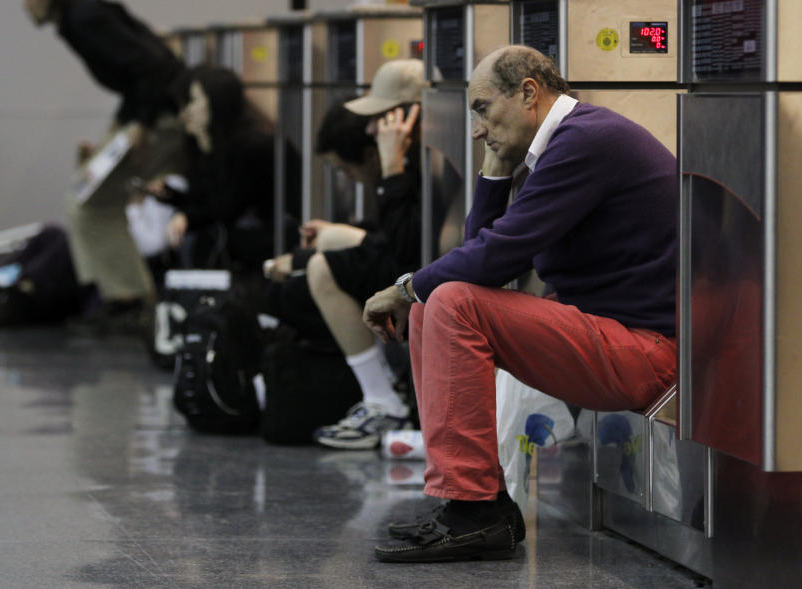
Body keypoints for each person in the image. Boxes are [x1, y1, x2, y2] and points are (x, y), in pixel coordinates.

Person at [363, 45, 677, 562]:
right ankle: (468, 503)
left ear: (528, 93)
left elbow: (493, 258)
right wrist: (493, 168)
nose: (477, 128)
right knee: (434, 303)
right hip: (611, 333)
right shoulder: (560, 145)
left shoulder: (587, 142)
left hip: (647, 350)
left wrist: (402, 286)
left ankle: (478, 509)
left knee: (449, 301)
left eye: (483, 108)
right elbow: (482, 252)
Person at [263, 59, 429, 448]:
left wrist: (391, 169)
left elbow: (406, 252)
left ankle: (383, 401)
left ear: (407, 117)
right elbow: (394, 237)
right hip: (418, 261)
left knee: (322, 268)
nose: (371, 130)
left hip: (426, 274)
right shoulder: (415, 160)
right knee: (327, 244)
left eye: (381, 118)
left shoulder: (410, 165)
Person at [19, 0, 187, 332]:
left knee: (89, 203)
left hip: (161, 118)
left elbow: (154, 66)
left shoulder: (85, 19)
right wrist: (120, 123)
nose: (25, 5)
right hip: (151, 113)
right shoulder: (83, 17)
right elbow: (137, 71)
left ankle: (129, 301)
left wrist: (139, 124)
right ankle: (127, 298)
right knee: (88, 200)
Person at [155, 65, 279, 276]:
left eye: (194, 101)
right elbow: (206, 199)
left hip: (260, 237)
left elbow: (228, 205)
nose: (186, 113)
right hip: (237, 233)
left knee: (201, 239)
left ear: (215, 103)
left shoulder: (250, 147)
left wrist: (189, 217)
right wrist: (173, 197)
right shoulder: (204, 145)